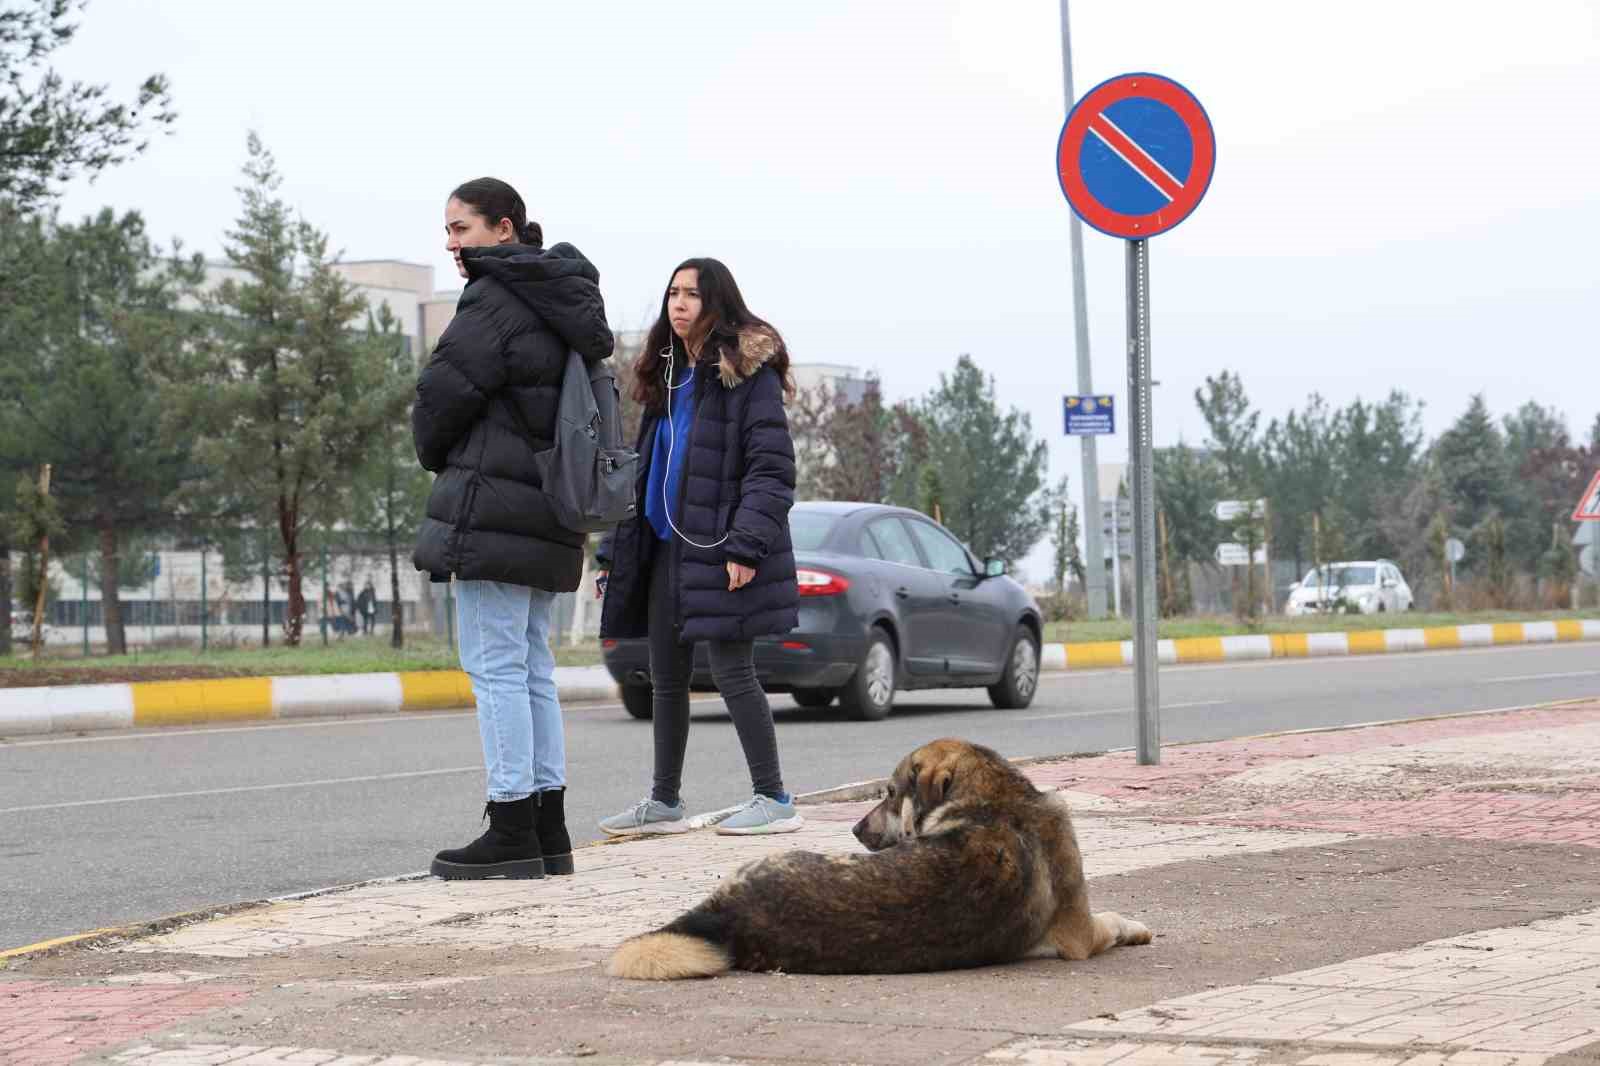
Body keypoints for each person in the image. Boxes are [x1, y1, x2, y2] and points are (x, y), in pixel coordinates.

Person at [412, 177, 614, 879]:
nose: (450, 243)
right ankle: (547, 829)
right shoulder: (565, 299)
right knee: (531, 670)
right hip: (551, 510)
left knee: (497, 670)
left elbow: (441, 392)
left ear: (504, 229)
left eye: (460, 228)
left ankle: (510, 826)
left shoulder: (496, 297)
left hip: (495, 510)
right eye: (447, 230)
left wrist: (437, 454)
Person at [596, 258, 802, 837]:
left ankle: (774, 797)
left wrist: (747, 547)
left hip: (721, 545)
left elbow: (771, 469)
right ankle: (664, 803)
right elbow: (640, 474)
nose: (679, 303)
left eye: (692, 294)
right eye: (672, 293)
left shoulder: (744, 373)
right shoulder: (665, 376)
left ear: (718, 303)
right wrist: (614, 553)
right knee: (666, 678)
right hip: (664, 545)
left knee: (734, 671)